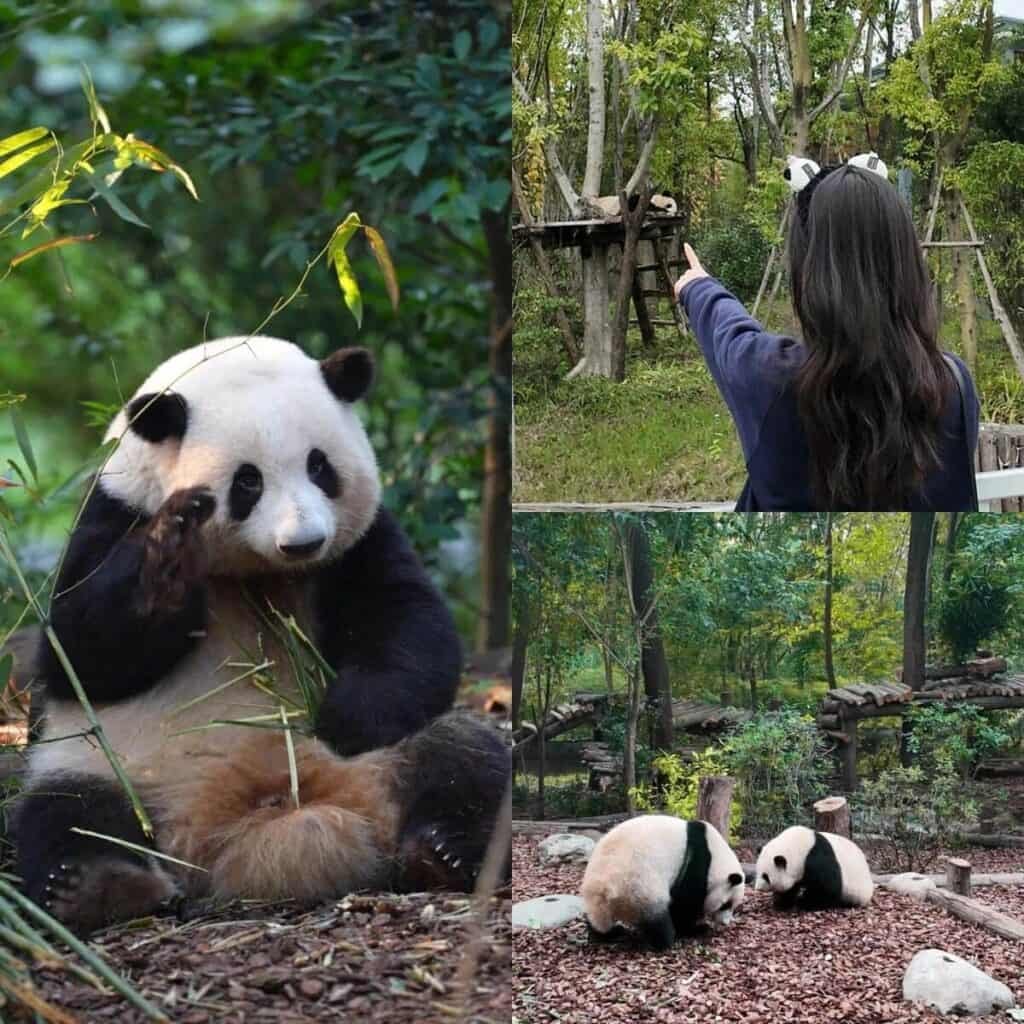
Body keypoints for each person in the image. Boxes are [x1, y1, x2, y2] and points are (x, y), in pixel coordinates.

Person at [675, 163, 980, 511]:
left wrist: (698, 287)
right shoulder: (955, 386)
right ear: (907, 260)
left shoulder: (768, 379)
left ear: (809, 271)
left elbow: (728, 331)